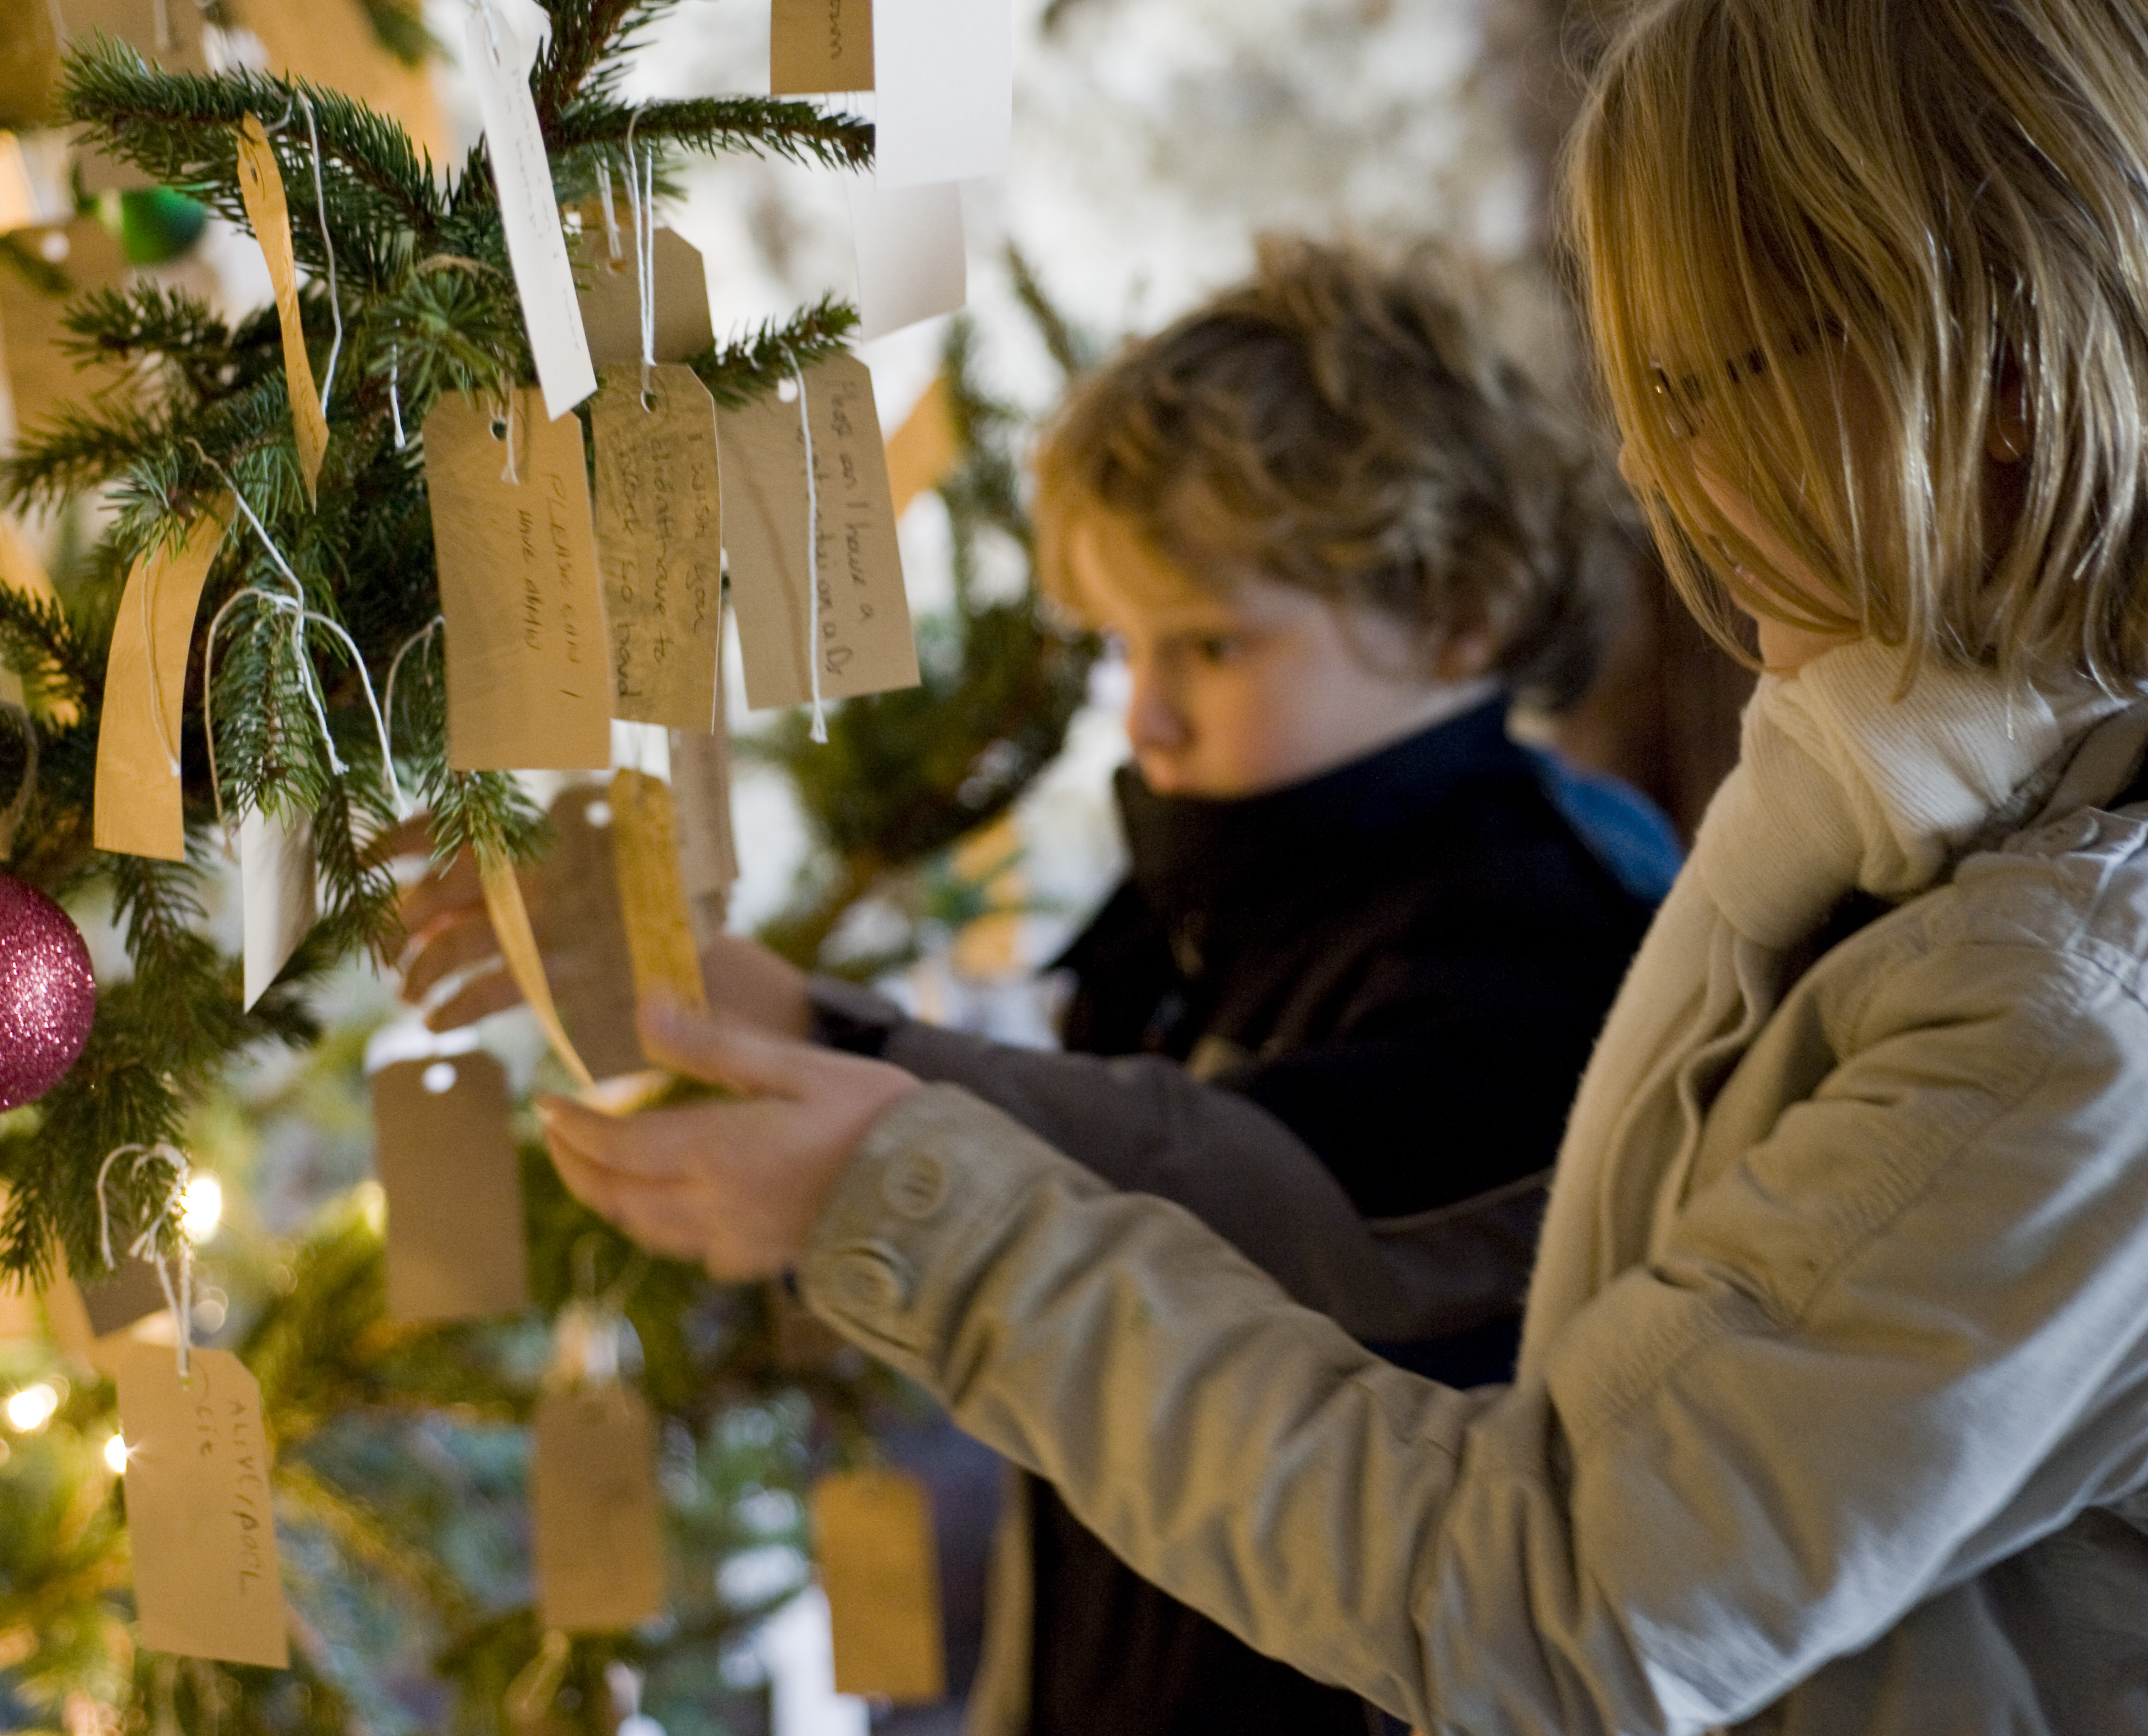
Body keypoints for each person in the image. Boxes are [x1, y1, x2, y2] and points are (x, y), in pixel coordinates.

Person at [539, 0, 2148, 1729]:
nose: (1644, 458)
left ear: (1994, 376)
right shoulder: (1894, 826)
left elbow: (1540, 1545)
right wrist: (856, 1061)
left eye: (1705, 377)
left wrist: (905, 1188)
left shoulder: (2049, 997)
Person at [703, 241, 1673, 1736]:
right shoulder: (1198, 902)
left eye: (1212, 644)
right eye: (1126, 649)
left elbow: (1279, 1205)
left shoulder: (1549, 920)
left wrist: (852, 1070)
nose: (1144, 717)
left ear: (1460, 607)